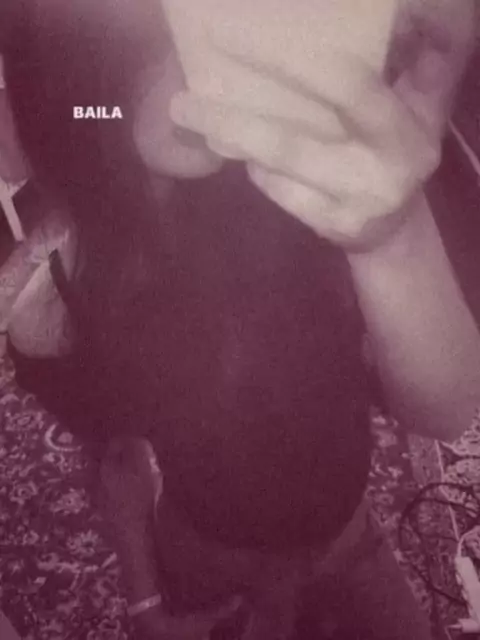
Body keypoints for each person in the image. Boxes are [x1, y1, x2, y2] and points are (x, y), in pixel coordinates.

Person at [0, 0, 478, 638]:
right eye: (155, 26)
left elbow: (445, 410)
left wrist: (392, 236)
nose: (203, 56)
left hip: (347, 539)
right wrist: (145, 606)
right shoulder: (56, 312)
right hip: (208, 561)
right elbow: (114, 462)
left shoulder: (304, 189)